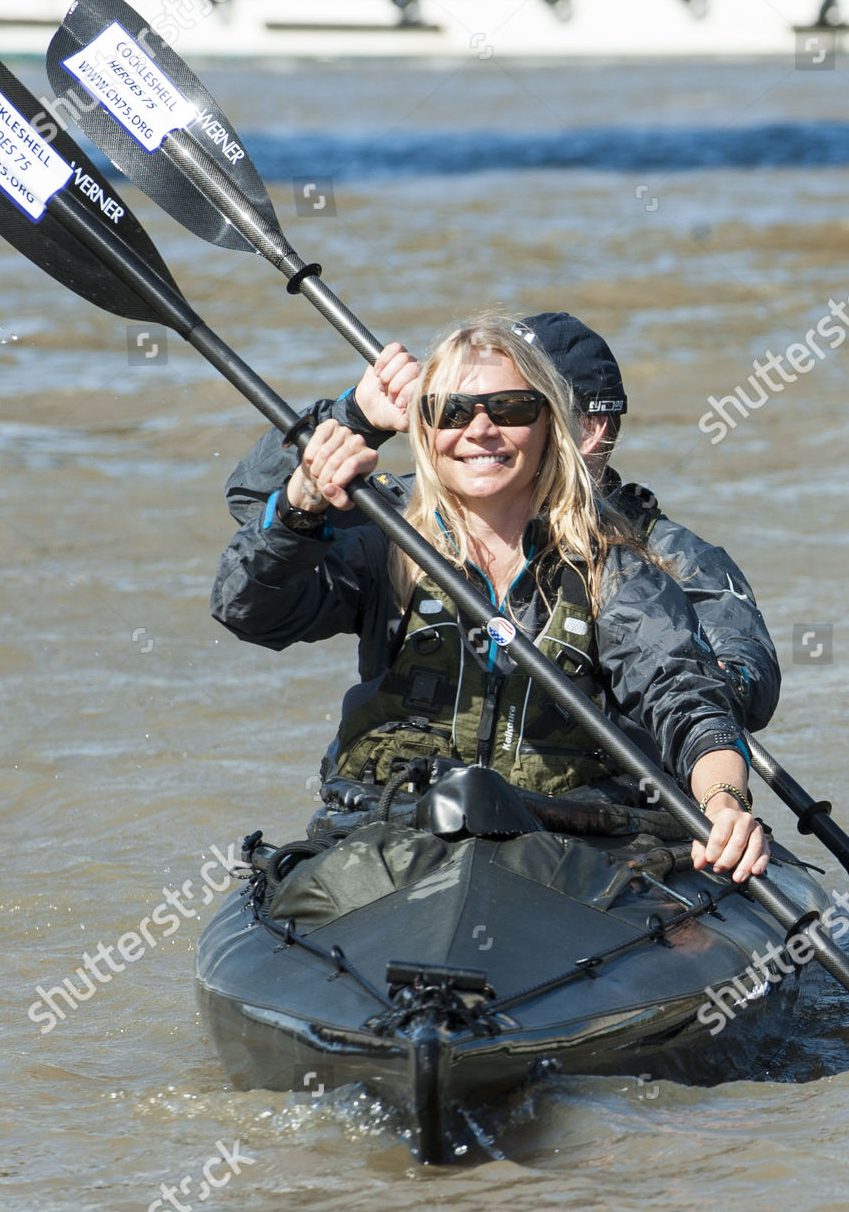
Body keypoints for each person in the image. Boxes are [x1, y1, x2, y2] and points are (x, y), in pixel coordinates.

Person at [212, 314, 768, 883]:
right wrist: (306, 496)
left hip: (567, 841)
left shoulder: (620, 563)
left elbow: (684, 695)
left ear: (558, 426)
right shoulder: (383, 532)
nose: (479, 429)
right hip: (396, 830)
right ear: (423, 429)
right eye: (452, 410)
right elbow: (249, 607)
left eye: (510, 409)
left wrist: (724, 799)